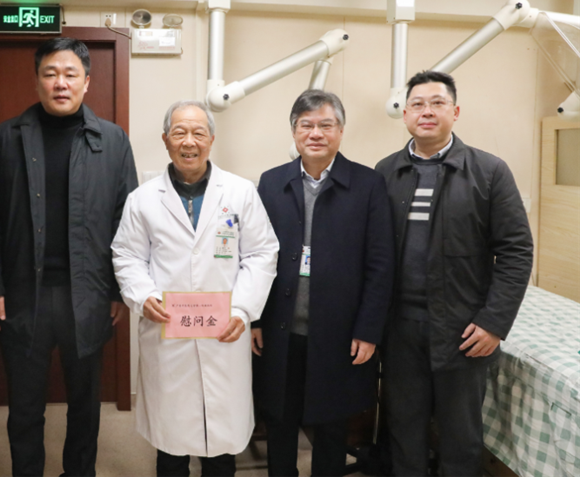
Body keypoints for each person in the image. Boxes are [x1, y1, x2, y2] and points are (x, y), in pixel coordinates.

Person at [0, 37, 138, 477]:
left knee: (85, 403)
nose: (60, 83)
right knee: (25, 406)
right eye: (50, 74)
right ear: (37, 81)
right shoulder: (7, 136)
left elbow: (127, 222)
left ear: (87, 81)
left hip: (88, 294)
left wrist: (119, 290)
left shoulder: (112, 140)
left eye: (70, 74)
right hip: (22, 293)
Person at [375, 70, 533, 476]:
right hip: (399, 330)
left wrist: (494, 322)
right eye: (417, 104)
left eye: (437, 103)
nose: (427, 111)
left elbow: (516, 251)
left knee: (461, 438)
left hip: (464, 330)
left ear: (455, 112)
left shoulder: (489, 171)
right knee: (403, 430)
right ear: (405, 114)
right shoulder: (385, 172)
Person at [111, 100, 279, 477]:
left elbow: (262, 253)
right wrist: (143, 295)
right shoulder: (142, 199)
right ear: (165, 140)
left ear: (211, 140)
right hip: (168, 334)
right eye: (180, 133)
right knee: (171, 440)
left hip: (224, 330)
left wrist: (242, 309)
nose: (189, 142)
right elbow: (126, 255)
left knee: (221, 441)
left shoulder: (240, 192)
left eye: (198, 133)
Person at [252, 90, 395, 476]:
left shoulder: (368, 184)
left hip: (339, 330)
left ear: (341, 131)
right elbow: (253, 258)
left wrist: (369, 330)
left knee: (332, 424)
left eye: (325, 125)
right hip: (280, 328)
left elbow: (381, 265)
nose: (315, 133)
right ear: (294, 131)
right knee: (279, 417)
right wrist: (254, 319)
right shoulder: (271, 182)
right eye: (306, 125)